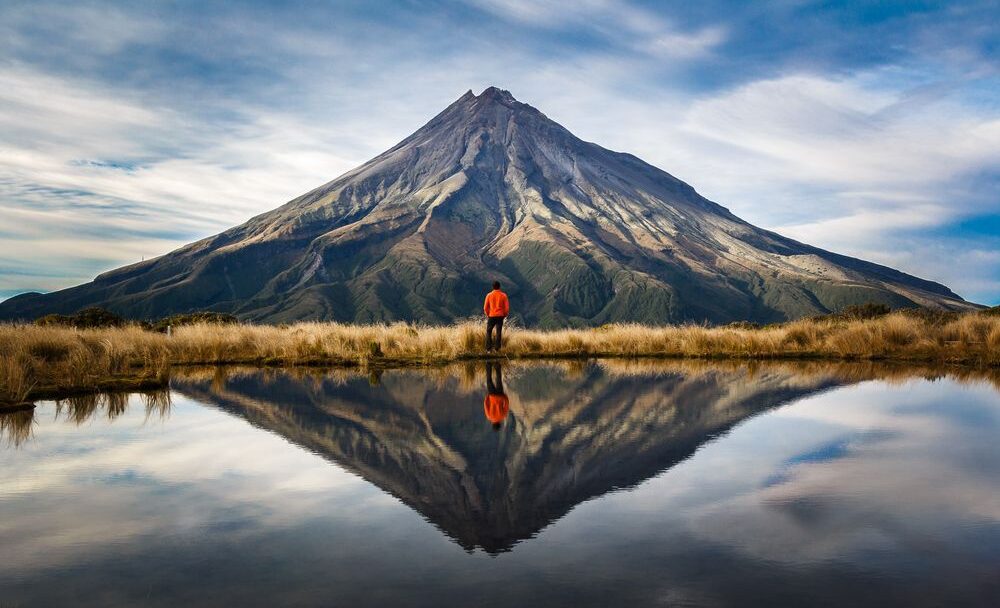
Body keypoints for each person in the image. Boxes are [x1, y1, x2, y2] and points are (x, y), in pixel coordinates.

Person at [483, 281, 509, 352]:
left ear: (493, 287)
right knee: (498, 332)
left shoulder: (489, 295)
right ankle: (497, 349)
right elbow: (506, 308)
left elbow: (485, 308)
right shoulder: (504, 295)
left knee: (489, 331)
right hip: (500, 316)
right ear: (499, 287)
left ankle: (488, 349)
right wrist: (504, 315)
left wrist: (488, 314)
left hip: (491, 316)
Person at [483, 362, 509, 431]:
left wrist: (504, 397)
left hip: (500, 395)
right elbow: (486, 405)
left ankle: (497, 365)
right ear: (493, 424)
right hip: (492, 396)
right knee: (489, 380)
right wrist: (488, 397)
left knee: (499, 379)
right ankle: (488, 364)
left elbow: (506, 405)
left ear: (499, 424)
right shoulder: (489, 417)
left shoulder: (502, 416)